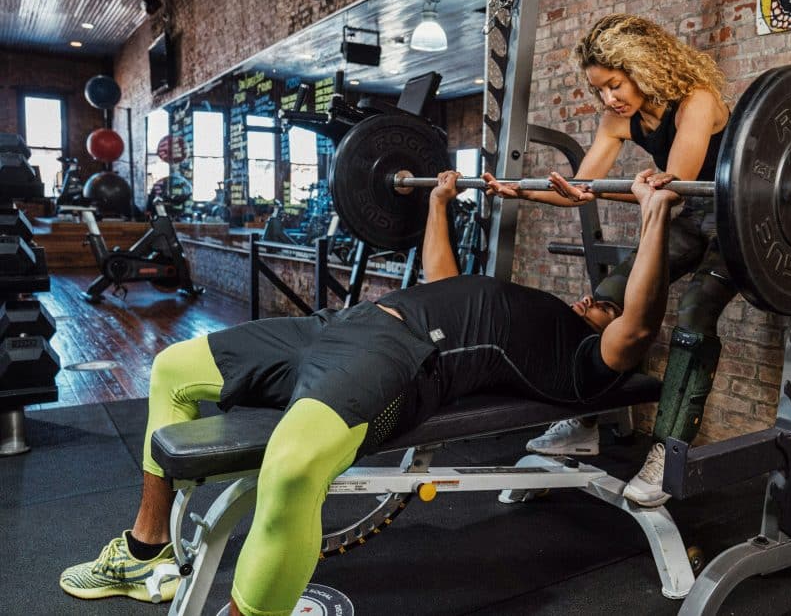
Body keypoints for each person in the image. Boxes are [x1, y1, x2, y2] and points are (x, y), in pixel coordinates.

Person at [60, 169, 682, 616]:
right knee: (173, 367)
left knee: (294, 464)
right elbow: (444, 279)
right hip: (341, 322)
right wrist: (439, 200)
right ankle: (146, 552)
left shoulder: (583, 362)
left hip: (399, 356)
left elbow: (641, 323)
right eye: (594, 296)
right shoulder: (534, 308)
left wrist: (653, 216)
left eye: (601, 304)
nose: (588, 300)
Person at [484, 13, 736, 507]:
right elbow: (583, 187)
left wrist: (609, 190)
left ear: (643, 66)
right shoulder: (616, 120)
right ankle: (582, 421)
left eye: (615, 84)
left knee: (696, 309)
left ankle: (669, 451)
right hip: (686, 217)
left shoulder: (697, 102)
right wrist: (524, 191)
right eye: (601, 89)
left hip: (733, 219)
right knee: (603, 303)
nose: (609, 98)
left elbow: (673, 186)